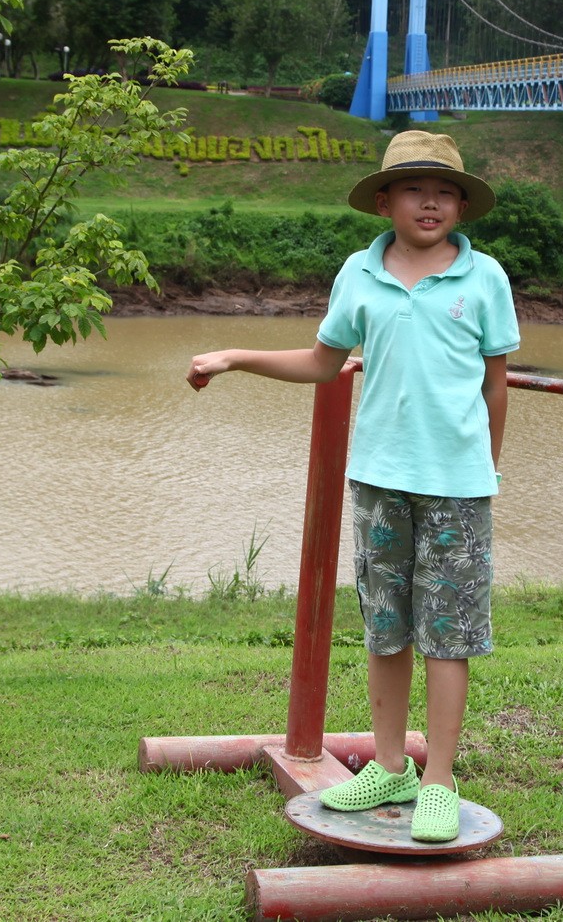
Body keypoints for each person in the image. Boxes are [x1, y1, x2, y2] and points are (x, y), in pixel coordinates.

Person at [185, 130, 518, 844]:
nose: (430, 201)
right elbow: (320, 361)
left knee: (448, 633)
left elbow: (496, 386)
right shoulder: (358, 275)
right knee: (386, 626)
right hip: (378, 482)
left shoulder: (485, 277)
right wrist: (234, 356)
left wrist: (487, 467)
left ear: (462, 203)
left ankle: (439, 780)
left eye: (445, 190)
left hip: (457, 488)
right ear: (383, 199)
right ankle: (392, 764)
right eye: (413, 187)